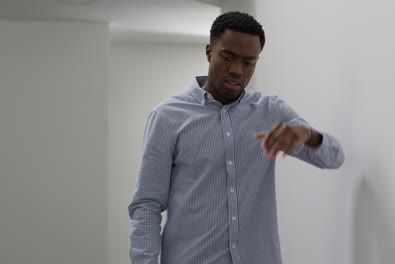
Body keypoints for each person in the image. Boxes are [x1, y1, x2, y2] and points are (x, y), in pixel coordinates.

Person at [128, 11, 345, 264]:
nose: (236, 70)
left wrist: (307, 135)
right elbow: (147, 205)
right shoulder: (167, 117)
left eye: (248, 62)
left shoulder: (271, 111)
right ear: (210, 52)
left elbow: (335, 158)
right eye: (227, 57)